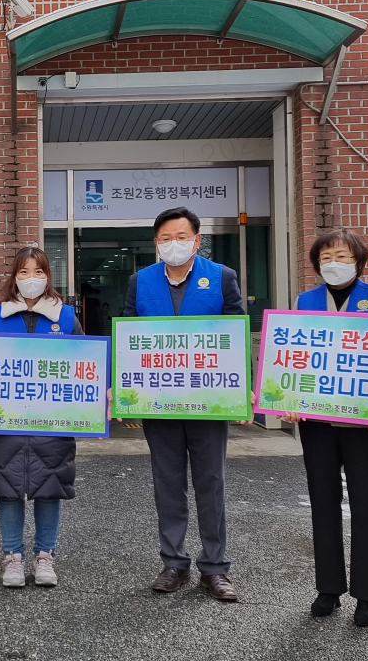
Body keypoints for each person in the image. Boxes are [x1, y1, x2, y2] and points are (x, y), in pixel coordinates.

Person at [121, 206, 244, 602]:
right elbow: (126, 337)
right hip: (159, 403)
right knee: (167, 483)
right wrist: (120, 389)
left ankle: (216, 567)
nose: (174, 244)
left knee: (211, 482)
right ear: (156, 243)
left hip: (208, 402)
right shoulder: (139, 281)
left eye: (181, 236)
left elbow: (236, 333)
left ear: (197, 239)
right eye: (165, 238)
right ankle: (173, 562)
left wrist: (243, 392)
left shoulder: (222, 277)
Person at [286, 229, 368, 627]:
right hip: (317, 423)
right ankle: (328, 588)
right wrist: (288, 401)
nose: (335, 262)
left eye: (343, 256)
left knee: (367, 505)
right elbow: (293, 358)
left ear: (359, 262)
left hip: (365, 425)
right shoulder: (304, 301)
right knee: (322, 502)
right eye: (327, 256)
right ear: (317, 263)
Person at [0, 247, 83, 588]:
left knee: (49, 487)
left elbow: (85, 366)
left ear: (48, 277)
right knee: (8, 488)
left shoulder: (65, 318)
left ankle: (44, 556)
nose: (30, 279)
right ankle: (12, 557)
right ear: (14, 278)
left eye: (38, 272)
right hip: (6, 422)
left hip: (52, 421)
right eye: (23, 272)